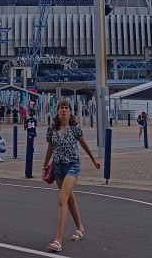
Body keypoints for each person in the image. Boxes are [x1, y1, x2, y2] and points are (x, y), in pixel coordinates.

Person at [43, 98, 100, 253]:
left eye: (66, 107)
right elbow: (50, 148)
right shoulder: (52, 128)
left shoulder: (74, 127)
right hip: (58, 168)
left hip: (72, 166)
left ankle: (58, 240)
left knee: (62, 199)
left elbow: (83, 143)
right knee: (70, 199)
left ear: (70, 111)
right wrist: (44, 166)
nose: (64, 110)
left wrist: (93, 159)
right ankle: (80, 228)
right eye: (61, 107)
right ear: (58, 110)